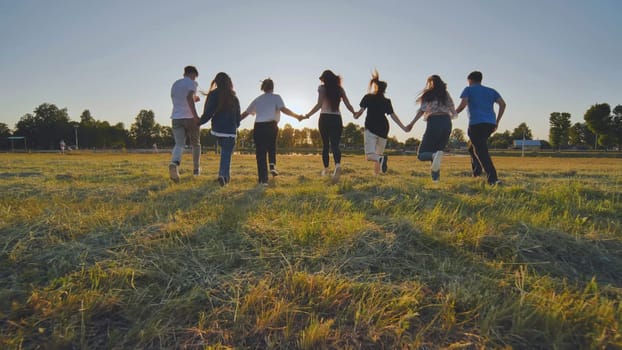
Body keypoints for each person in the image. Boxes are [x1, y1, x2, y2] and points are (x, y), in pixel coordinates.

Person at [240, 78, 304, 186]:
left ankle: (263, 180)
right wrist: (297, 116)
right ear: (273, 87)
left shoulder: (258, 99)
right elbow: (283, 109)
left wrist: (235, 121)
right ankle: (272, 165)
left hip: (259, 127)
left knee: (260, 153)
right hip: (271, 126)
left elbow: (246, 113)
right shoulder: (276, 97)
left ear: (262, 88)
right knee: (272, 147)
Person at [302, 70, 356, 183]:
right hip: (336, 119)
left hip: (325, 118)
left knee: (326, 145)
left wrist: (307, 115)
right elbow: (348, 104)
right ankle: (337, 165)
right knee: (335, 145)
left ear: (325, 79)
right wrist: (354, 113)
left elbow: (319, 105)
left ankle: (326, 170)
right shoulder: (340, 89)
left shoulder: (322, 88)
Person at [455, 71, 506, 185]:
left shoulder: (468, 89)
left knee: (481, 151)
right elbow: (503, 104)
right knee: (472, 148)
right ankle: (477, 173)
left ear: (470, 80)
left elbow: (462, 105)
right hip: (490, 124)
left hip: (476, 124)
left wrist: (452, 114)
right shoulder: (491, 91)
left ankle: (493, 179)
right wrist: (497, 121)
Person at [354, 71, 408, 175]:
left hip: (371, 127)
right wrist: (403, 127)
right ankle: (376, 175)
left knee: (370, 156)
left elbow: (359, 113)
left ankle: (381, 161)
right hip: (384, 128)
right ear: (384, 90)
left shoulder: (368, 97)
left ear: (375, 86)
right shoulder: (386, 101)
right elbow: (393, 116)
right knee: (378, 155)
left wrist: (355, 115)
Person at [405, 75, 457, 182]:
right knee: (437, 153)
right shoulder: (445, 94)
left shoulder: (428, 94)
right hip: (447, 122)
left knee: (422, 154)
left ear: (430, 83)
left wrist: (412, 123)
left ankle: (435, 171)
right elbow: (454, 112)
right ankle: (435, 180)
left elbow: (421, 111)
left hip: (434, 122)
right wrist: (448, 117)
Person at [200, 72, 241, 187]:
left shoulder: (213, 94)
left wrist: (199, 122)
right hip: (230, 131)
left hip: (218, 130)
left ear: (216, 82)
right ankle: (223, 176)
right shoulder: (234, 97)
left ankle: (223, 176)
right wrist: (235, 126)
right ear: (229, 83)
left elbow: (208, 112)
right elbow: (238, 117)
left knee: (224, 153)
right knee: (226, 154)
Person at [169, 65, 201, 183]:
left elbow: (180, 99)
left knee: (179, 144)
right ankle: (196, 170)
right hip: (190, 118)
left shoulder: (175, 84)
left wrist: (194, 98)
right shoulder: (192, 83)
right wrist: (196, 116)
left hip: (176, 117)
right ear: (193, 74)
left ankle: (174, 163)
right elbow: (188, 97)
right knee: (196, 144)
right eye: (195, 77)